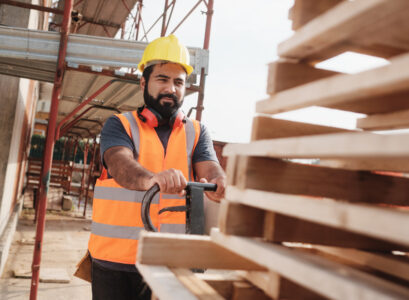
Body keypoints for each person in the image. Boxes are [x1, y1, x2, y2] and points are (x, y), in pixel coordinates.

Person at [87, 34, 226, 300]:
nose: (171, 88)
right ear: (143, 82)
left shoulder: (197, 132)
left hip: (170, 261)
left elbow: (210, 168)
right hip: (116, 260)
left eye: (178, 82)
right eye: (162, 79)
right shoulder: (120, 125)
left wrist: (219, 181)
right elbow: (120, 165)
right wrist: (153, 178)